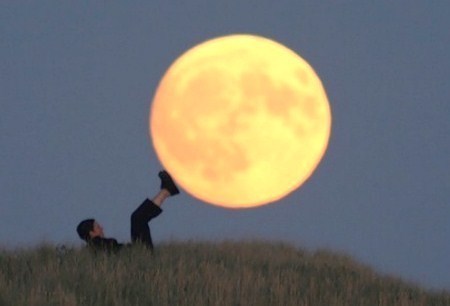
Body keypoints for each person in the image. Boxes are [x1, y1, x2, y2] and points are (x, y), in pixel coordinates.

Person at [76, 170, 179, 252]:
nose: (101, 228)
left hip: (139, 253)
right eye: (97, 227)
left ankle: (166, 191)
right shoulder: (100, 245)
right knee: (137, 218)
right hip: (141, 254)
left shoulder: (92, 249)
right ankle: (166, 191)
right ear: (92, 233)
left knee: (137, 218)